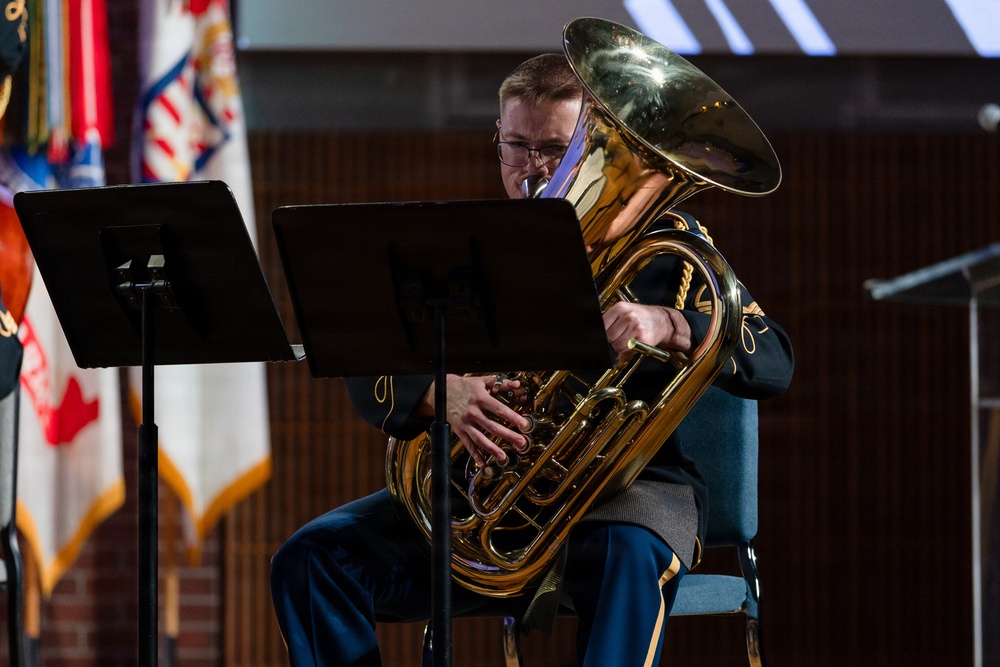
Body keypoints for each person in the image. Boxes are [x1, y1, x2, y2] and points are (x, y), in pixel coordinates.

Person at [270, 53, 794, 667]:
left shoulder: (669, 248)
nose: (533, 169)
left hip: (627, 498)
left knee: (629, 557)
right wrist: (442, 392)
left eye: (555, 147)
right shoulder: (464, 245)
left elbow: (775, 359)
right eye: (515, 145)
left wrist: (673, 324)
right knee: (310, 561)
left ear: (597, 143)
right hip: (479, 503)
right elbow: (368, 367)